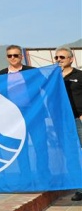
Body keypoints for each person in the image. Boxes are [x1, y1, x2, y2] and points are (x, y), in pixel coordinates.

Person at [58, 46, 82, 201]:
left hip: (78, 120)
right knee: (72, 155)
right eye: (57, 57)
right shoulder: (53, 78)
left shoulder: (79, 75)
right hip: (62, 122)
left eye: (62, 57)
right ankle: (80, 188)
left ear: (71, 59)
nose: (59, 60)